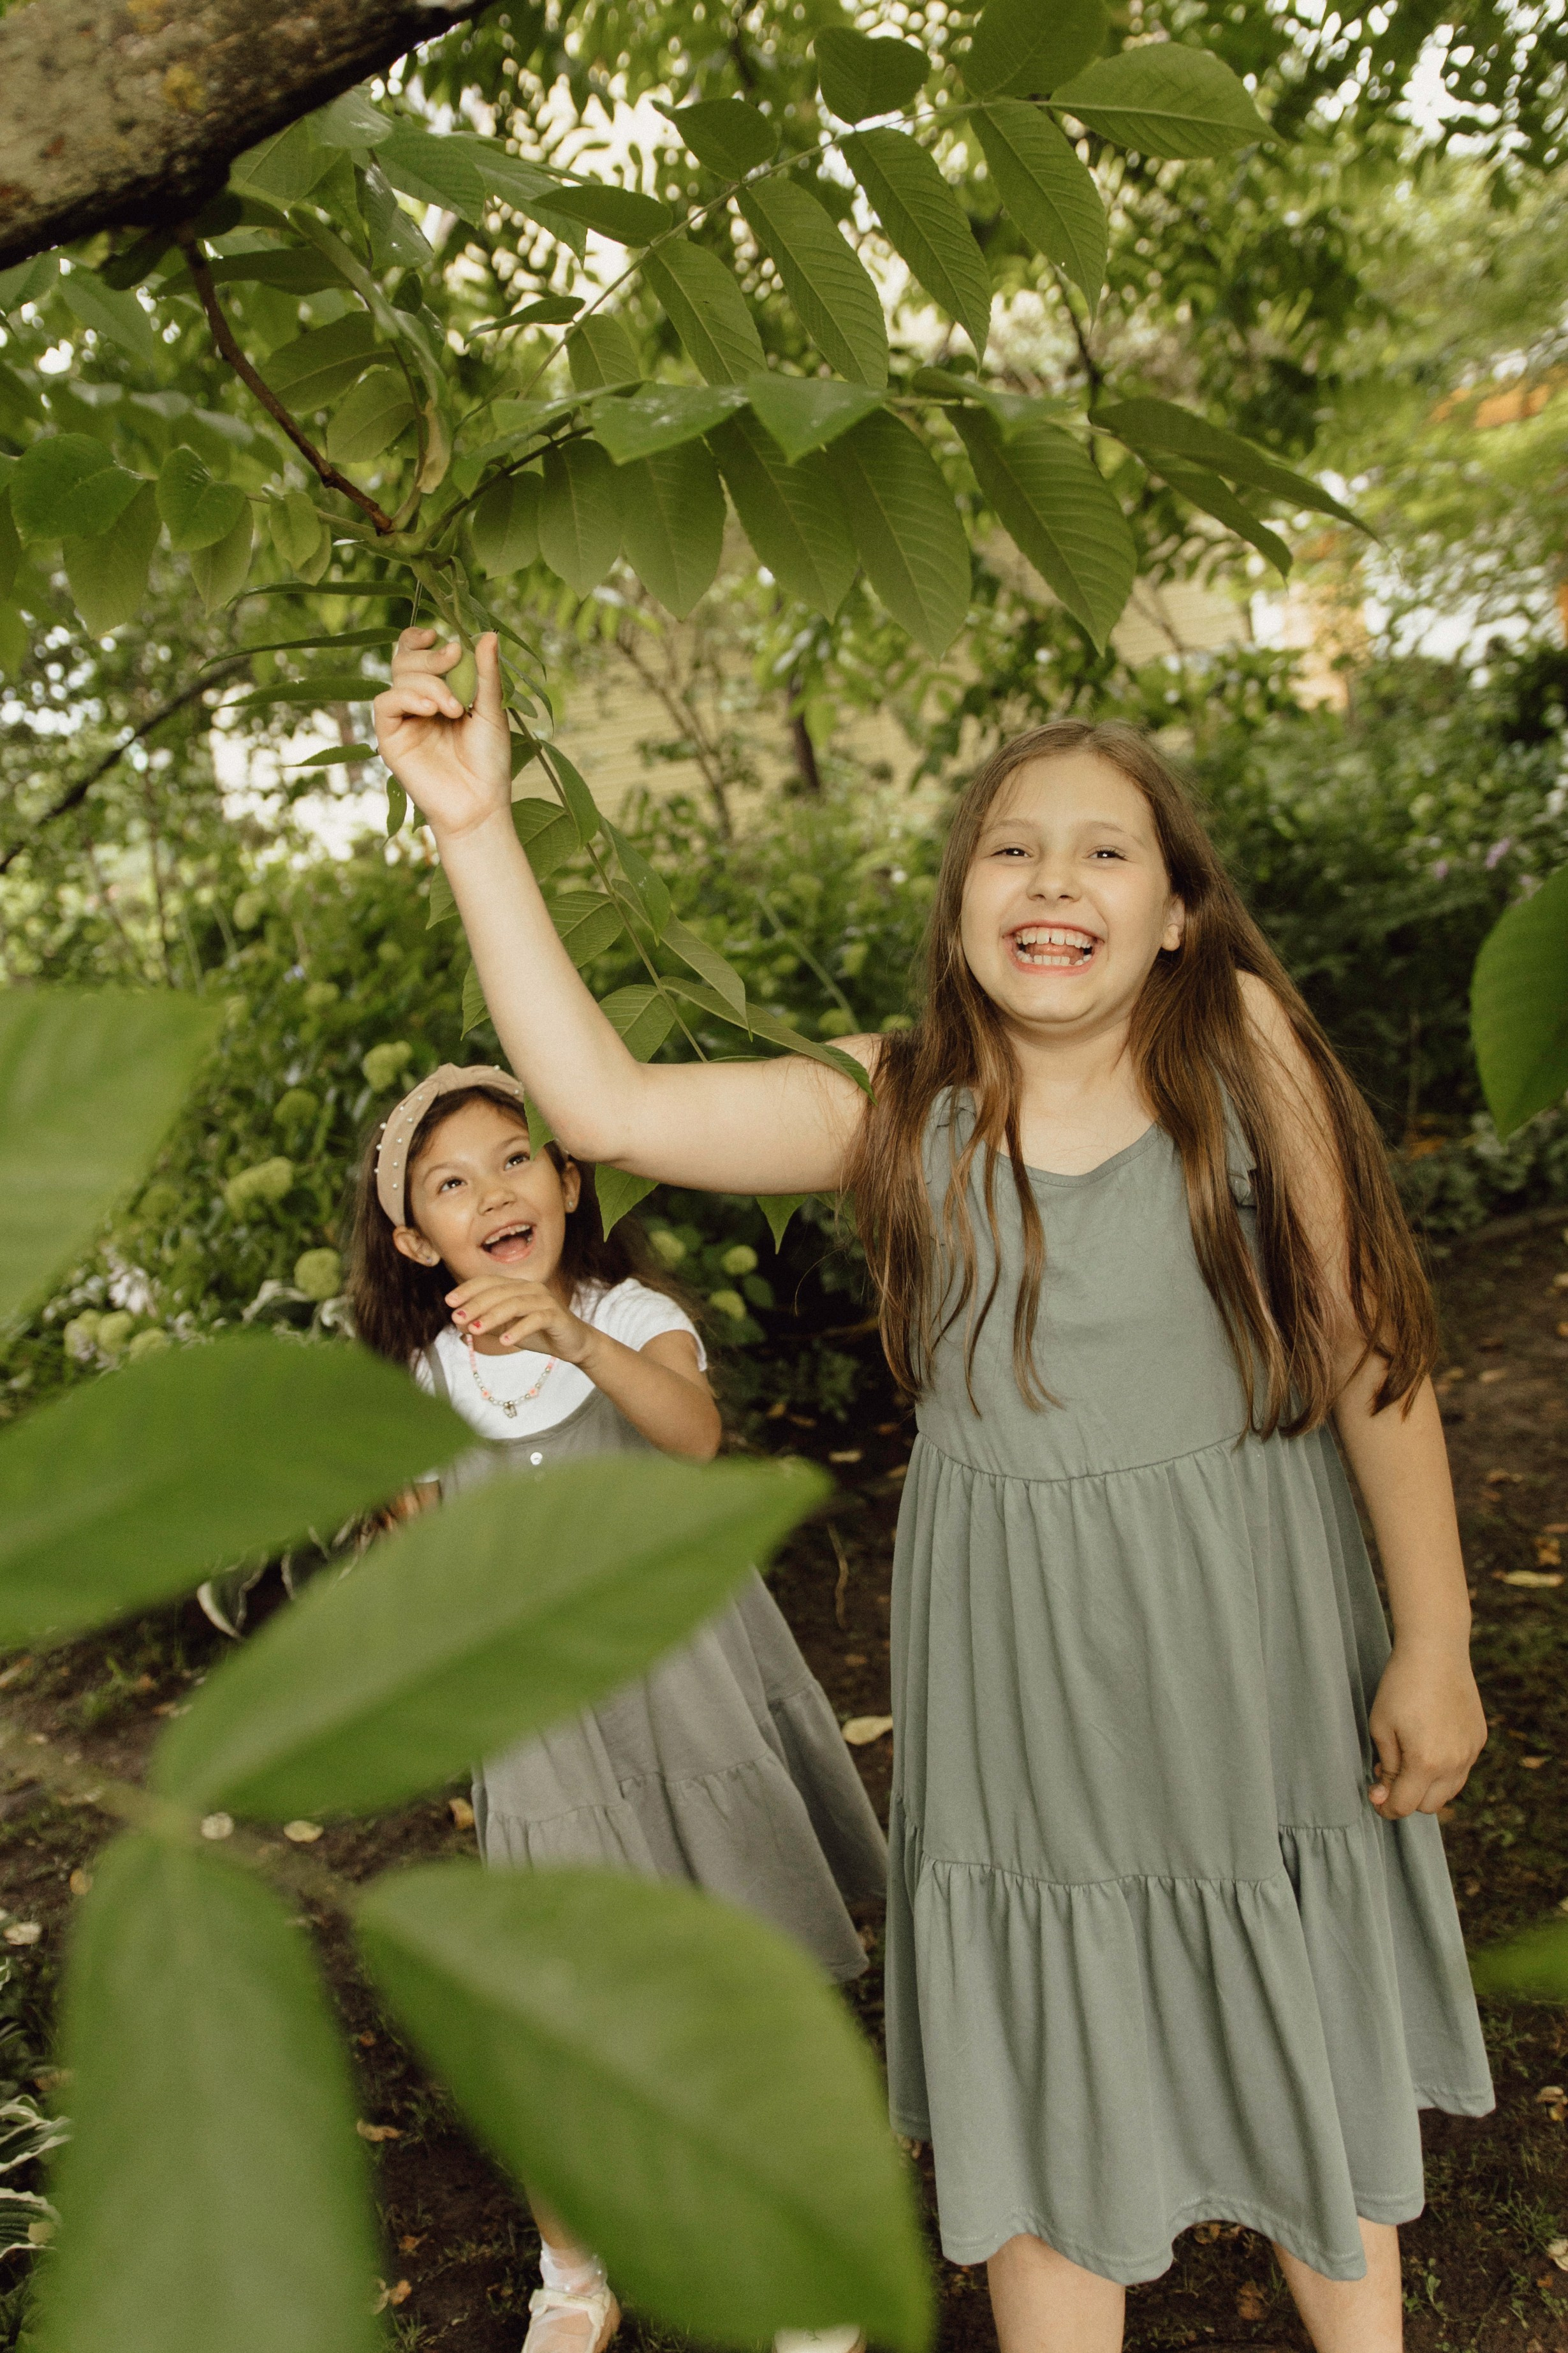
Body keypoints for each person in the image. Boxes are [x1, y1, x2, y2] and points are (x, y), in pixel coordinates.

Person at [374, 631, 1493, 2353]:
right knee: (1040, 2094)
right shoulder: (895, 1103)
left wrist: (1433, 1638)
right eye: (1009, 848)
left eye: (1103, 848)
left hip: (1247, 1641)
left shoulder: (1242, 1048)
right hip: (1020, 1671)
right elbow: (600, 1098)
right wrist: (473, 823)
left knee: (1302, 2028)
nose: (1052, 877)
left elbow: (1363, 1346)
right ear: (960, 900)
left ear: (1177, 912)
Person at [347, 1061, 886, 2353]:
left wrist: (574, 1336)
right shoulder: (422, 1382)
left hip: (686, 1694)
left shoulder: (634, 1314)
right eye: (453, 1183)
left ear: (572, 1179)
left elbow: (693, 1434)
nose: (494, 1191)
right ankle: (572, 2269)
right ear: (420, 1239)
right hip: (548, 1734)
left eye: (515, 1159)